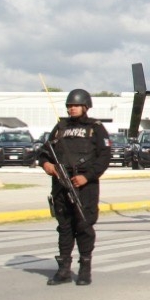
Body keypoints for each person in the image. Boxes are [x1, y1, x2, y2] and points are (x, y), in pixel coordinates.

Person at [38, 88, 112, 285]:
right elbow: (44, 152)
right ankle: (63, 270)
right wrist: (47, 165)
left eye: (76, 105)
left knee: (84, 226)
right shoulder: (60, 127)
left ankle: (85, 268)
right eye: (69, 106)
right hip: (61, 184)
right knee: (64, 227)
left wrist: (87, 177)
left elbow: (104, 157)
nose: (72, 109)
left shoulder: (95, 128)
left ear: (85, 107)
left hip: (84, 186)